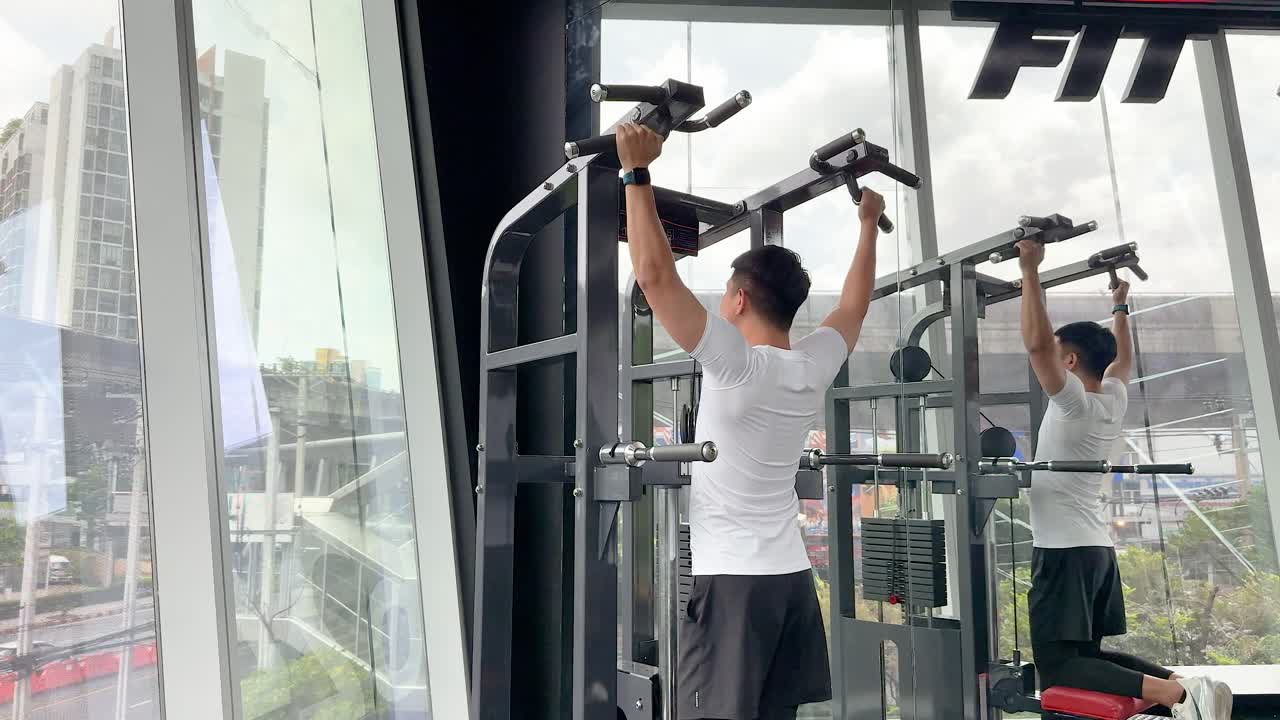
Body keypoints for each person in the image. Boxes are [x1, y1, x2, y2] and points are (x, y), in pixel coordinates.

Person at [615, 123, 883, 720]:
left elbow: (656, 280)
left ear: (736, 300)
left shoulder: (735, 364)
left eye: (724, 296)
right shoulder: (811, 365)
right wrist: (866, 226)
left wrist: (637, 173)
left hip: (734, 584)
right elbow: (854, 306)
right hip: (789, 580)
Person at [1016, 239, 1232, 720]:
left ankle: (1176, 696)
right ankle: (1183, 685)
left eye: (1058, 354)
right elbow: (1122, 361)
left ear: (1069, 363)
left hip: (1065, 551)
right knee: (1082, 659)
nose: (1049, 359)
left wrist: (1030, 271)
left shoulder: (1072, 402)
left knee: (1057, 666)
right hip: (1094, 551)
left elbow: (1036, 344)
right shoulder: (1112, 399)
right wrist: (1120, 306)